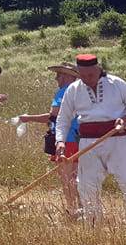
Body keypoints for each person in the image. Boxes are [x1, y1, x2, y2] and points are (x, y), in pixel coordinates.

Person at [55, 54, 126, 225]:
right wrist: (60, 141)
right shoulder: (73, 90)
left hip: (118, 140)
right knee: (87, 187)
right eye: (83, 76)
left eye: (91, 75)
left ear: (98, 70)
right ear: (78, 73)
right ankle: (93, 226)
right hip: (88, 143)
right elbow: (63, 119)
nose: (87, 79)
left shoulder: (116, 84)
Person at [16, 62, 81, 215]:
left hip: (66, 140)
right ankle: (83, 207)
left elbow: (54, 116)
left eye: (58, 75)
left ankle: (72, 210)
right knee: (78, 177)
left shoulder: (63, 92)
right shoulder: (80, 93)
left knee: (67, 178)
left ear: (66, 76)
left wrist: (28, 118)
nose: (56, 78)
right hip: (79, 138)